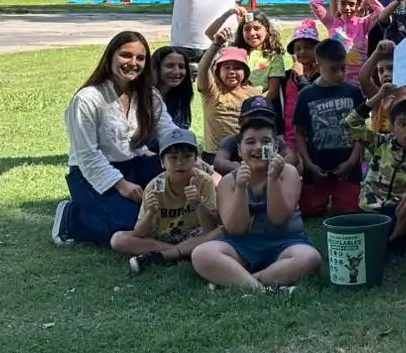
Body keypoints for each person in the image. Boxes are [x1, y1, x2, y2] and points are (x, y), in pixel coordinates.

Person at [54, 31, 184, 247]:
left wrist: (193, 160)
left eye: (140, 58)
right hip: (90, 173)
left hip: (135, 165)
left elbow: (169, 131)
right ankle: (72, 217)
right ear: (110, 57)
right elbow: (87, 155)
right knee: (135, 225)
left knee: (177, 205)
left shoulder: (149, 95)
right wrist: (121, 185)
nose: (133, 63)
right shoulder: (87, 99)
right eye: (126, 55)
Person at [189, 108, 321, 292]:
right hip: (243, 246)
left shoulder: (288, 172)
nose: (258, 148)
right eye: (250, 142)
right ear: (239, 150)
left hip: (285, 243)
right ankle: (263, 288)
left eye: (265, 142)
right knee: (202, 254)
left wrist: (273, 179)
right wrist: (241, 188)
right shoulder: (228, 182)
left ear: (275, 147)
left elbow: (278, 218)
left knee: (309, 258)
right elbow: (235, 228)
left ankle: (243, 281)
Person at [113, 128, 221, 275]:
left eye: (187, 156)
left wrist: (198, 203)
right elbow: (139, 232)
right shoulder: (155, 186)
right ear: (162, 162)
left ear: (196, 159)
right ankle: (182, 252)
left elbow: (210, 227)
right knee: (118, 239)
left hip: (195, 234)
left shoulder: (203, 182)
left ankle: (166, 255)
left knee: (221, 231)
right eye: (173, 158)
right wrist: (150, 212)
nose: (180, 163)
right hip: (164, 236)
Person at [350, 93, 406, 250]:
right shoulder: (381, 144)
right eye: (402, 124)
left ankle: (394, 239)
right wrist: (378, 96)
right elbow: (352, 122)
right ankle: (387, 240)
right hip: (370, 209)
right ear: (392, 126)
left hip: (398, 213)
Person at [293, 38, 366, 217]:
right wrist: (309, 165)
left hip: (348, 167)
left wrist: (351, 162)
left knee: (349, 211)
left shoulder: (353, 92)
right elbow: (300, 133)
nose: (340, 74)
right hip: (317, 167)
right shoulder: (306, 95)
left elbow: (361, 132)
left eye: (343, 68)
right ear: (318, 67)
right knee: (311, 211)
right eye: (333, 69)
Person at [197, 28, 262, 165]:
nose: (232, 72)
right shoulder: (212, 91)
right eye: (227, 67)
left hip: (244, 154)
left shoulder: (253, 93)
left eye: (237, 68)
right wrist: (216, 45)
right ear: (218, 71)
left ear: (245, 72)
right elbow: (203, 68)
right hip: (214, 155)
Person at [310, 0, 393, 86]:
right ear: (337, 3)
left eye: (351, 4)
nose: (347, 8)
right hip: (335, 77)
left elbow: (382, 12)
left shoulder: (364, 23)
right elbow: (314, 3)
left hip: (358, 80)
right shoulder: (331, 23)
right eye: (343, 3)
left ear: (358, 5)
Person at [280, 20, 320, 149]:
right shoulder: (287, 76)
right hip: (291, 132)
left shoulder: (322, 75)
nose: (302, 52)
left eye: (308, 47)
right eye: (298, 48)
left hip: (314, 132)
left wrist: (301, 76)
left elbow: (312, 96)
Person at [148, 44, 193, 137]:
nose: (177, 72)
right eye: (170, 66)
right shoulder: (143, 96)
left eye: (181, 66)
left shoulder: (181, 96)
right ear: (155, 68)